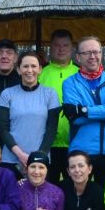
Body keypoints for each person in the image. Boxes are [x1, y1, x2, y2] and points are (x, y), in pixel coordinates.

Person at [63, 36, 105, 181]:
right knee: (81, 193)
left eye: (96, 52)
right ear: (78, 57)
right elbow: (75, 118)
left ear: (101, 54)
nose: (93, 56)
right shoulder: (70, 83)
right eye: (87, 53)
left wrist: (84, 110)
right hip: (81, 150)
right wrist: (104, 113)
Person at [0, 51, 60, 174]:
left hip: (40, 161)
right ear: (18, 70)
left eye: (33, 66)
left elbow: (51, 130)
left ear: (40, 69)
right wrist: (20, 155)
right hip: (11, 160)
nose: (29, 70)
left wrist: (38, 156)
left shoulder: (50, 94)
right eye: (25, 66)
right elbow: (2, 128)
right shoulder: (7, 94)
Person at [40, 29, 80, 181]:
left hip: (75, 142)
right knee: (49, 186)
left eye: (65, 45)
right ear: (50, 47)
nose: (61, 49)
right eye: (57, 45)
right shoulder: (40, 73)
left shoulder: (81, 73)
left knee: (73, 186)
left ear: (72, 48)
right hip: (47, 143)